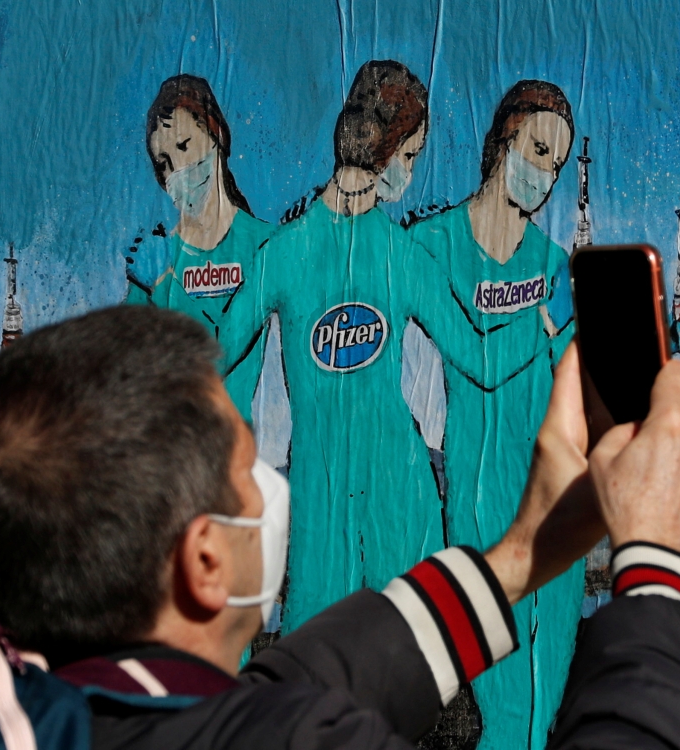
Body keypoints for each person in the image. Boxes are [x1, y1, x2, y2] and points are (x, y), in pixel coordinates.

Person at [0, 304, 680, 749]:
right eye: (247, 470)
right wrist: (660, 560)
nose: (268, 486)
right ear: (205, 559)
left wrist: (522, 553)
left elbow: (270, 691)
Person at [212, 61, 547, 635]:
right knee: (326, 665)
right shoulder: (313, 254)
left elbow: (210, 357)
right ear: (388, 149)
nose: (410, 173)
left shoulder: (305, 252)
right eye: (412, 156)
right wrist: (533, 326)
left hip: (399, 495)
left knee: (394, 670)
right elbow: (481, 357)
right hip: (327, 499)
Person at [406, 80, 579, 750]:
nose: (544, 175)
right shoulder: (433, 247)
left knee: (543, 718)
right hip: (483, 513)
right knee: (504, 713)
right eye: (538, 151)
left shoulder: (554, 264)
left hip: (558, 508)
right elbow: (474, 358)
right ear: (504, 139)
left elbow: (572, 385)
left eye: (556, 165)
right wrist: (543, 319)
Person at [125, 74, 276, 431]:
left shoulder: (264, 246)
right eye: (163, 162)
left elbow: (217, 358)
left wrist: (164, 286)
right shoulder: (155, 257)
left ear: (216, 136)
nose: (176, 171)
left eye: (183, 146)